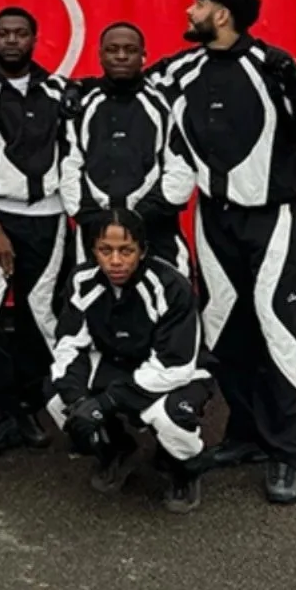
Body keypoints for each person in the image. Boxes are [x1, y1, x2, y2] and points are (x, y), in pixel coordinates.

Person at [147, 0, 296, 506]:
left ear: (222, 15)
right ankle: (247, 434)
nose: (189, 10)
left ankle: (285, 452)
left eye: (200, 3)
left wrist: (295, 78)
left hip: (274, 218)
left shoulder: (272, 65)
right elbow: (132, 91)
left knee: (276, 329)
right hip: (214, 220)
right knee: (225, 330)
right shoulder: (181, 70)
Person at [0, 6, 73, 453]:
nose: (12, 40)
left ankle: (26, 405)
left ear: (34, 39)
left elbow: (73, 153)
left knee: (39, 314)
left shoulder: (60, 91)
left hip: (49, 217)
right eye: (4, 33)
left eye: (20, 33)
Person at [45, 209, 214, 515]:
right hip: (118, 362)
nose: (115, 261)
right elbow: (69, 343)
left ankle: (184, 470)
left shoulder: (170, 286)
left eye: (126, 251)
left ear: (143, 250)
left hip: (177, 371)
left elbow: (174, 365)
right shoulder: (82, 280)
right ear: (93, 250)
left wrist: (106, 402)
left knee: (170, 418)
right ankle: (116, 450)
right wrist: (80, 402)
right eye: (105, 250)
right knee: (58, 398)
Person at [60, 21, 197, 276]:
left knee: (168, 296)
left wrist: (138, 219)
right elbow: (69, 165)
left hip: (157, 232)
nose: (121, 56)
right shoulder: (82, 106)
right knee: (92, 298)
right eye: (112, 50)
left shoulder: (165, 104)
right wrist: (95, 219)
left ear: (143, 55)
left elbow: (181, 167)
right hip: (94, 233)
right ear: (100, 55)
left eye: (130, 50)